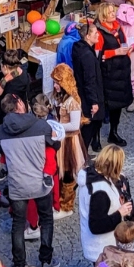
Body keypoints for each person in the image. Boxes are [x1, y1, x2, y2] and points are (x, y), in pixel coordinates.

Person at [0, 94, 57, 267]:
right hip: (39, 182)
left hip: (17, 184)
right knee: (46, 218)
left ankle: (18, 265)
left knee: (18, 224)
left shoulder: (1, 130)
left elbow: (2, 157)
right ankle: (45, 261)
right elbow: (54, 146)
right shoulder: (40, 125)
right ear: (20, 104)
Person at [78, 146, 134, 263]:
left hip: (103, 246)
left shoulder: (94, 176)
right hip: (102, 248)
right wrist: (120, 213)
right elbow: (97, 226)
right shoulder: (100, 192)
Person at [93, 3, 133, 148]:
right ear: (103, 15)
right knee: (102, 106)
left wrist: (127, 51)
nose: (112, 13)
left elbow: (123, 43)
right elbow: (97, 55)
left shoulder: (118, 27)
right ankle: (95, 137)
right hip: (108, 74)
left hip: (121, 73)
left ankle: (113, 132)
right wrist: (115, 53)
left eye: (113, 11)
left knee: (118, 105)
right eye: (109, 12)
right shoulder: (98, 32)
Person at [49, 64, 85, 216]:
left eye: (58, 83)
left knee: (68, 173)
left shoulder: (72, 101)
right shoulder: (59, 97)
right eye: (55, 82)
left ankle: (67, 206)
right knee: (60, 172)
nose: (55, 86)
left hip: (70, 142)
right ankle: (60, 201)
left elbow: (74, 124)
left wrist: (57, 126)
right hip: (61, 140)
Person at [72, 21, 106, 153]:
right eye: (95, 33)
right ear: (87, 36)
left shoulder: (80, 48)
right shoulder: (87, 55)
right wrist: (94, 102)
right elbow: (89, 80)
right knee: (89, 128)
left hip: (85, 93)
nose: (98, 36)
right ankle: (81, 156)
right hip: (89, 97)